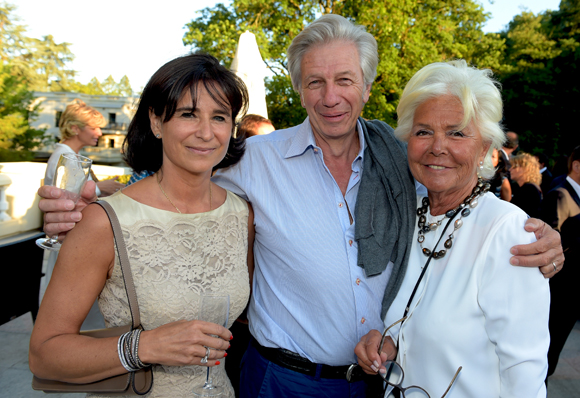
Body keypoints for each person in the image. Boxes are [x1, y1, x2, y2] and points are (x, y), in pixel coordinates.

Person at [36, 15, 563, 398]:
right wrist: (90, 198)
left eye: (344, 80)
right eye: (315, 82)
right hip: (281, 381)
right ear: (298, 88)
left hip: (385, 381)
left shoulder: (407, 160)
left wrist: (539, 233)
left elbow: (460, 201)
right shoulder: (253, 158)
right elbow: (179, 174)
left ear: (367, 85)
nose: (330, 96)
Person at [29, 53, 255, 398]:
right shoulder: (104, 221)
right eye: (188, 114)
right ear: (156, 122)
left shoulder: (242, 215)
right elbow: (44, 355)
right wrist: (144, 346)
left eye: (220, 116)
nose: (206, 132)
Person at [355, 60, 549, 397]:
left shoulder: (507, 231)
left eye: (457, 132)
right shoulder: (407, 216)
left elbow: (525, 373)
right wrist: (387, 343)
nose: (437, 146)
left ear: (485, 148)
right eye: (423, 131)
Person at [542, 145, 580, 380]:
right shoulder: (560, 193)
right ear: (576, 165)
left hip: (572, 290)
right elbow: (551, 243)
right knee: (548, 351)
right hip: (560, 289)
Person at [45, 99, 125, 196]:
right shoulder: (63, 157)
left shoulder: (73, 155)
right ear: (74, 129)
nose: (100, 133)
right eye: (93, 128)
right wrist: (99, 187)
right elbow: (67, 197)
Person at [510, 152, 543, 218]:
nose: (510, 169)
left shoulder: (529, 190)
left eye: (514, 166)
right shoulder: (529, 188)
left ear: (525, 168)